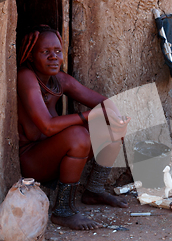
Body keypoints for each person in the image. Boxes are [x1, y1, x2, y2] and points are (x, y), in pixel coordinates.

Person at [17, 25, 130, 230]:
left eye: (58, 51)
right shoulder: (26, 77)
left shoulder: (59, 80)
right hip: (33, 160)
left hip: (55, 154)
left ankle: (94, 190)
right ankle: (63, 211)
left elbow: (105, 103)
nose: (53, 57)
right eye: (45, 52)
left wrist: (114, 117)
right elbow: (48, 127)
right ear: (31, 56)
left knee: (111, 125)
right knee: (78, 135)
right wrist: (87, 116)